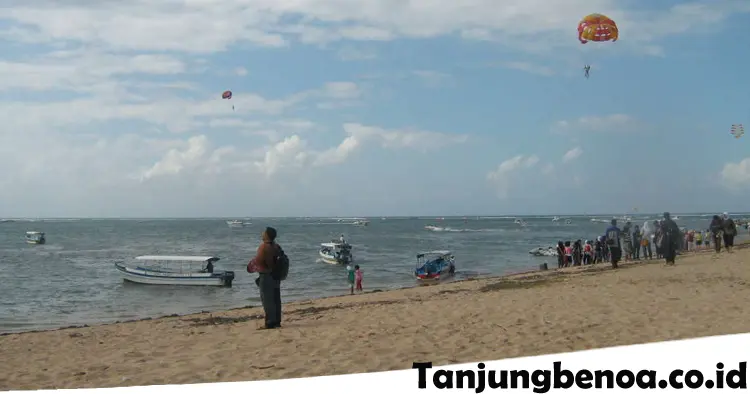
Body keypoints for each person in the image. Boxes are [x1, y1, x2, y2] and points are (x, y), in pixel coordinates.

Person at [253, 227, 283, 329]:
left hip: (266, 276)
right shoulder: (276, 246)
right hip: (275, 276)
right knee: (275, 299)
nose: (262, 234)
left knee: (267, 300)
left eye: (263, 232)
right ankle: (277, 322)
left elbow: (262, 262)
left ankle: (269, 323)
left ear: (267, 235)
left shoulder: (264, 247)